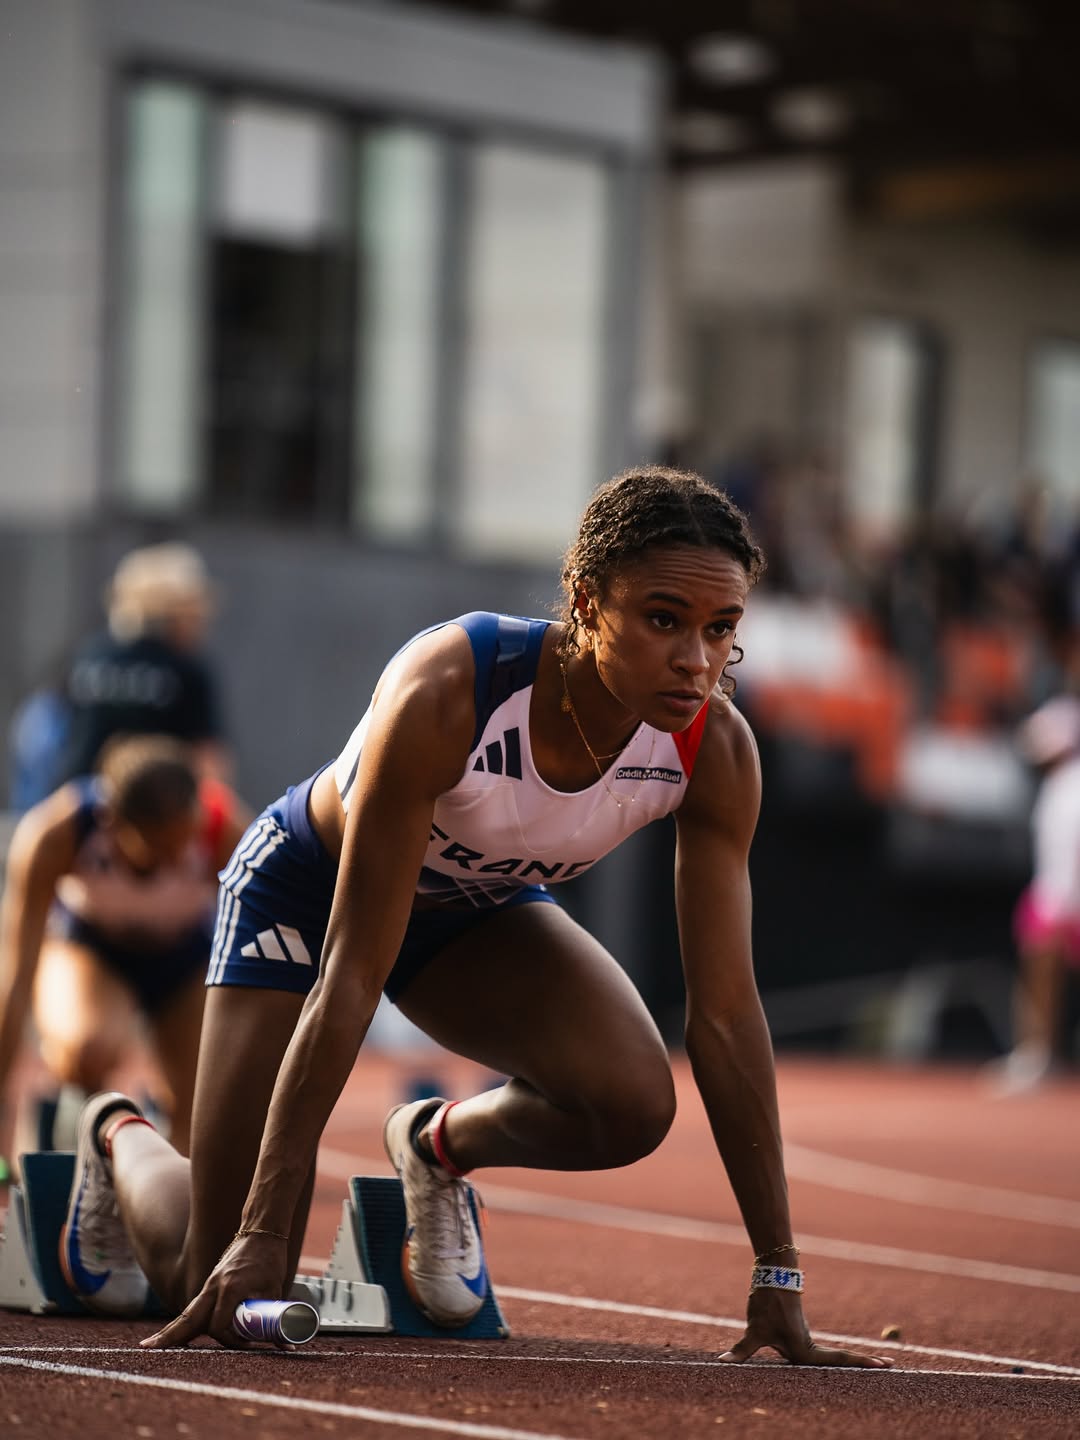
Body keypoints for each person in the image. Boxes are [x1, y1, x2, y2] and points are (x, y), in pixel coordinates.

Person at [59, 466, 889, 1366]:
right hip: (307, 893)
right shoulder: (450, 687)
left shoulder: (714, 748)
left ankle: (434, 1144)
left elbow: (726, 1017)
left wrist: (777, 1273)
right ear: (584, 599)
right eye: (663, 620)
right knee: (207, 1278)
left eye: (721, 629)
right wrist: (264, 1230)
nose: (697, 660)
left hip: (474, 908)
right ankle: (119, 1131)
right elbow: (350, 976)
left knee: (633, 1103)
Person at [0, 735, 250, 1169]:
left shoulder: (223, 831)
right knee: (85, 1050)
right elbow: (18, 973)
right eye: (158, 849)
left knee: (208, 1082)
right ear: (112, 822)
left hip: (185, 955)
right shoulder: (56, 833)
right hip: (94, 951)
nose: (176, 857)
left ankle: (164, 1166)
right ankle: (64, 1118)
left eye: (182, 840)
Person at [57, 542, 232, 786]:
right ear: (175, 612)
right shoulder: (185, 668)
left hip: (82, 802)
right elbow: (208, 762)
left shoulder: (90, 655)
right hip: (157, 810)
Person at [989, 695, 1080, 1095]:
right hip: (1053, 901)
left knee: (1042, 984)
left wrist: (1060, 907)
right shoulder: (1057, 786)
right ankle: (1036, 1055)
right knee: (1039, 984)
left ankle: (1037, 1055)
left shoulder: (1070, 788)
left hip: (1061, 904)